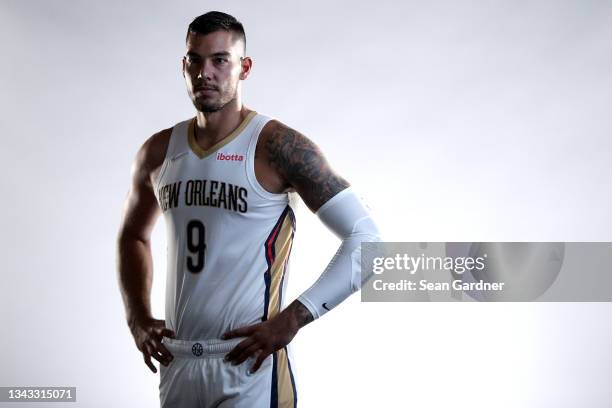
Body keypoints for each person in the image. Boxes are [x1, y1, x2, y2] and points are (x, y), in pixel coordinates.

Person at [117, 11, 381, 408]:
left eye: (220, 60)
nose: (206, 72)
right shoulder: (158, 151)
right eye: (195, 60)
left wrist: (293, 318)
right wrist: (137, 318)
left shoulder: (278, 147)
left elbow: (368, 239)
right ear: (184, 65)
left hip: (250, 365)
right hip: (179, 362)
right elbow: (133, 236)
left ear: (244, 68)